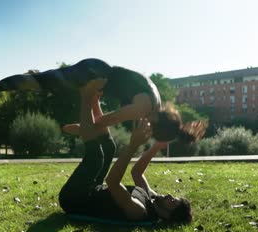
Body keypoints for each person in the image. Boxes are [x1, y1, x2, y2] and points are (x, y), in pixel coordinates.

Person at [0, 58, 206, 142]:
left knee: (44, 84)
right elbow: (103, 122)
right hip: (94, 75)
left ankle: (31, 79)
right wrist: (81, 128)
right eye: (151, 131)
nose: (146, 130)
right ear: (155, 126)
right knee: (39, 84)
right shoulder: (144, 108)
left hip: (97, 73)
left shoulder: (155, 99)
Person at [59, 79, 193, 224]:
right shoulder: (151, 198)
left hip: (75, 199)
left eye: (173, 202)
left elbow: (112, 182)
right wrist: (156, 147)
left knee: (97, 157)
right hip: (92, 189)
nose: (169, 196)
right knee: (109, 147)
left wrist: (133, 145)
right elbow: (137, 173)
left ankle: (86, 96)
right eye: (175, 197)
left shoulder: (140, 211)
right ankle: (94, 100)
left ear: (167, 216)